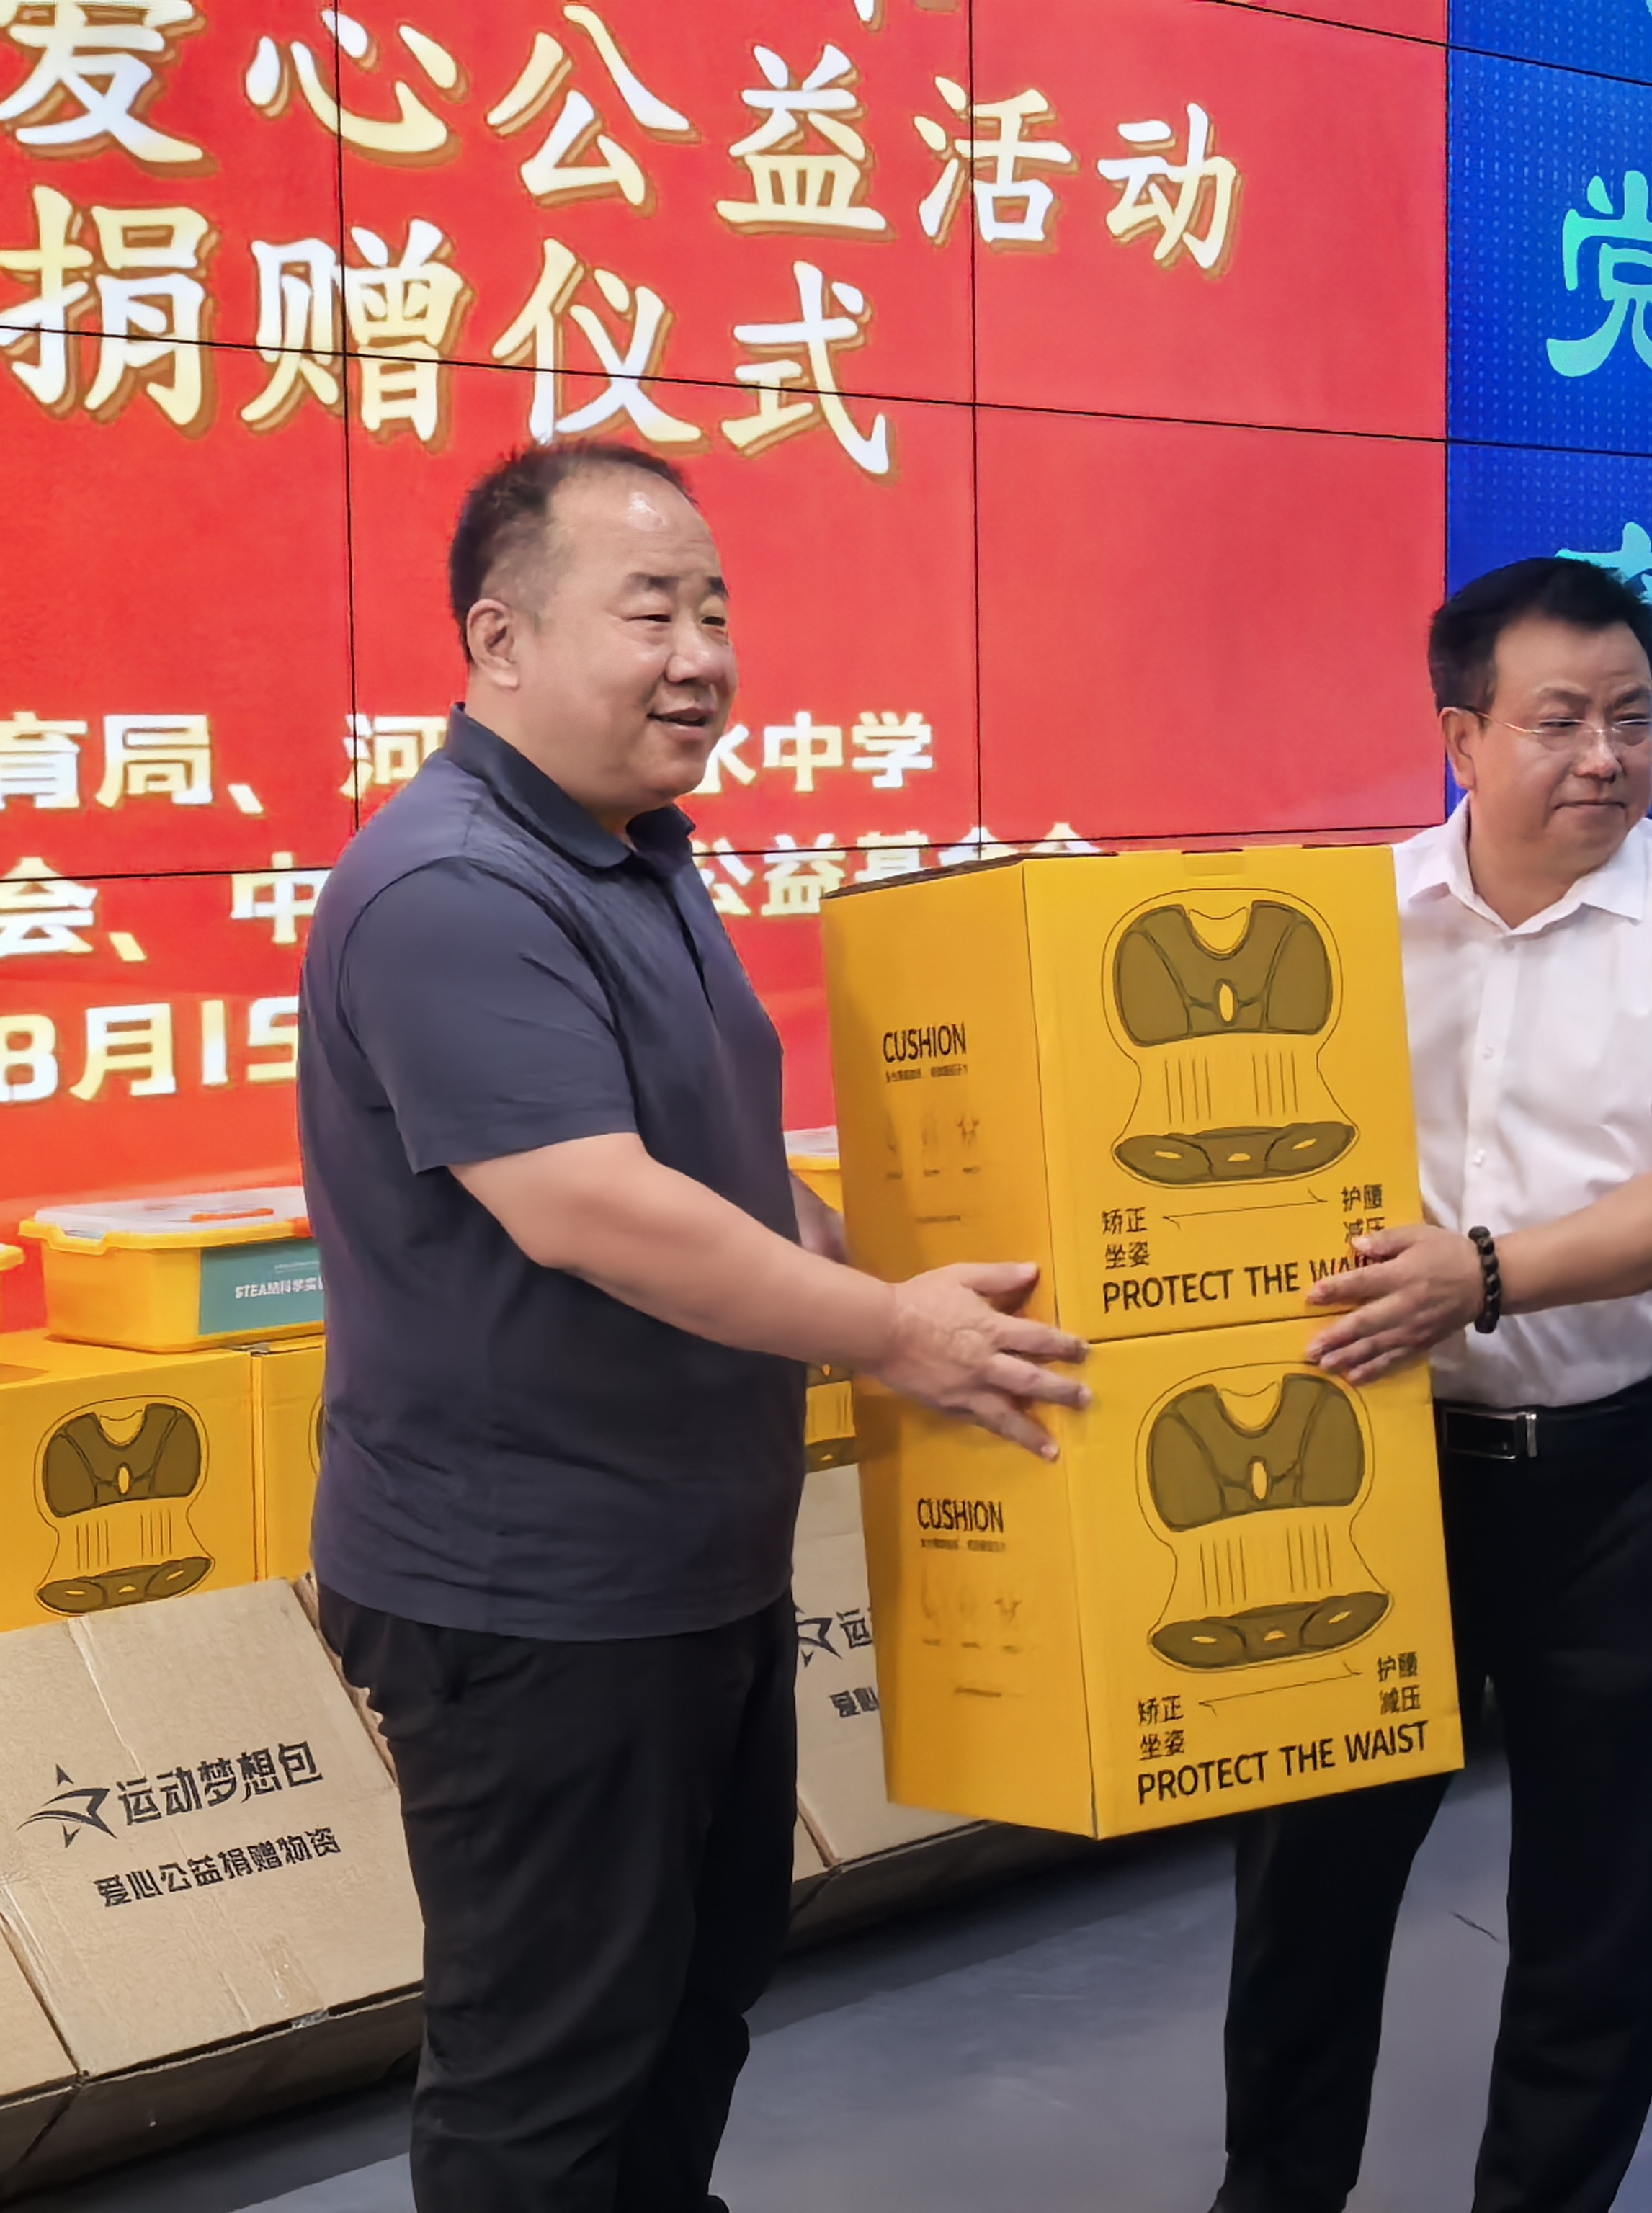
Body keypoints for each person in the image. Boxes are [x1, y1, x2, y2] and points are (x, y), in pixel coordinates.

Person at [298, 439, 1087, 2212]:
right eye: (649, 612)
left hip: (682, 1568)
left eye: (715, 613)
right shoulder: (451, 888)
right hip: (532, 1593)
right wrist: (886, 1330)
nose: (700, 658)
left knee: (687, 2004)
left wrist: (883, 1257)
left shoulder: (633, 858)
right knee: (549, 2067)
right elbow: (588, 1205)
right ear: (499, 640)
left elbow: (707, 1168)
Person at [1213, 558, 1652, 2213]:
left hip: (1622, 1476)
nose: (1604, 757)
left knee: (1594, 1904)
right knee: (1307, 1881)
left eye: (1632, 719)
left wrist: (1475, 1273)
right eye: (1560, 722)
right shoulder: (1346, 926)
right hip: (1373, 1466)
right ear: (1460, 735)